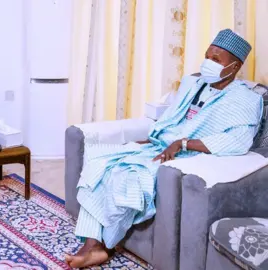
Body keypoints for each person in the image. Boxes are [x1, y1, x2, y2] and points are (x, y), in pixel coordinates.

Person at [65, 29, 263, 268]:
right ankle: (96, 245)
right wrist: (152, 140)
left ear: (234, 66)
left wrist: (182, 144)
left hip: (189, 157)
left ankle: (97, 247)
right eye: (207, 56)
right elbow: (171, 121)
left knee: (127, 176)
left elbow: (237, 142)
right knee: (100, 162)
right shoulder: (194, 83)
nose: (207, 63)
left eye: (216, 60)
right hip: (163, 146)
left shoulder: (246, 99)